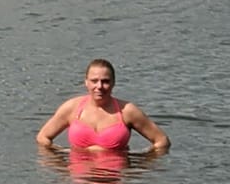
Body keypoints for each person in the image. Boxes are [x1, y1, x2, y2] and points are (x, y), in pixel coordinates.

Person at [37, 59, 169, 153]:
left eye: (105, 81)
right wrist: (60, 160)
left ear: (113, 83)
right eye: (94, 81)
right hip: (79, 183)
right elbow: (43, 138)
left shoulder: (127, 111)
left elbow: (162, 141)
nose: (99, 87)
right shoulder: (72, 108)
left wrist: (139, 165)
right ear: (86, 82)